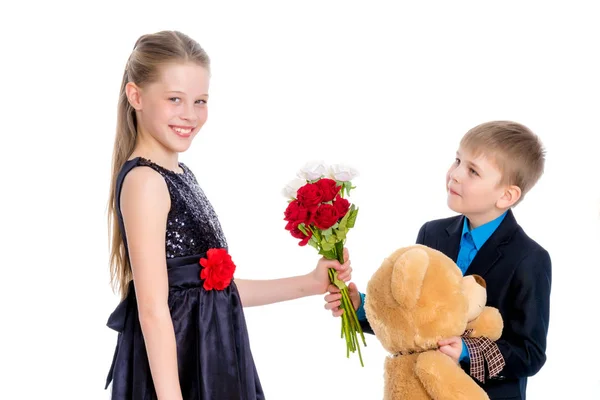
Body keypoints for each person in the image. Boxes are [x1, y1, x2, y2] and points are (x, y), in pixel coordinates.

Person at [104, 30, 352, 400]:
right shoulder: (145, 182)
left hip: (213, 359)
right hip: (181, 374)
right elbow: (153, 311)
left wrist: (311, 282)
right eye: (175, 99)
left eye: (200, 101)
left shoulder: (178, 176)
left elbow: (215, 293)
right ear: (136, 96)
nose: (190, 114)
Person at [324, 121, 551, 400]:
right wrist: (360, 308)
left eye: (472, 171)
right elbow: (412, 320)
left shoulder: (529, 258)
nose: (454, 174)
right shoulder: (432, 232)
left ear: (506, 195)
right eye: (457, 160)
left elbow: (530, 354)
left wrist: (467, 351)